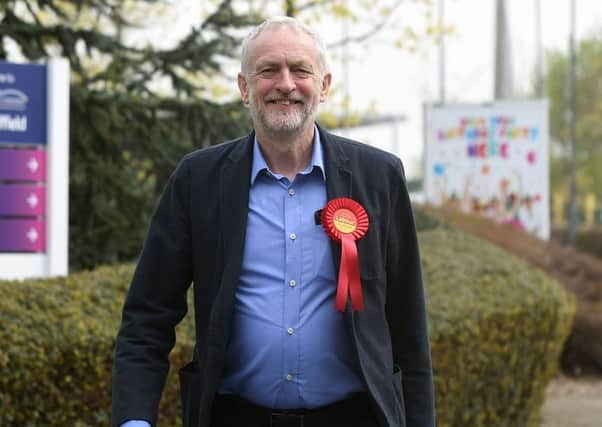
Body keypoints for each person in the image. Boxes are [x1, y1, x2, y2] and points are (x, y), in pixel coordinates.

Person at [111, 16, 435, 427]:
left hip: (354, 417)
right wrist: (134, 420)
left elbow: (409, 326)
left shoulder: (379, 176)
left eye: (300, 70)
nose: (286, 83)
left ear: (324, 84)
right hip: (234, 416)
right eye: (268, 70)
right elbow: (147, 317)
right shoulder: (198, 180)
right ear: (245, 87)